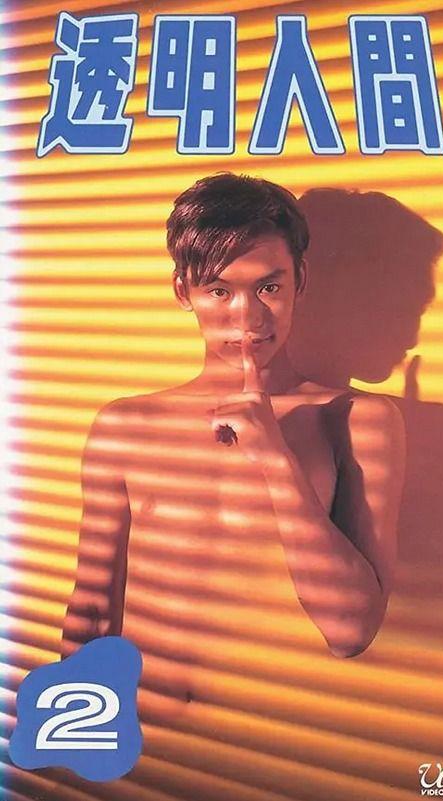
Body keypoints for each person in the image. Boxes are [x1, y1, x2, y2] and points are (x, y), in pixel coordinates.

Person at [61, 173, 406, 709]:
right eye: (218, 290)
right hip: (148, 736)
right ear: (183, 291)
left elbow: (351, 632)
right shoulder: (124, 426)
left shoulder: (357, 420)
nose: (246, 318)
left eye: (268, 287)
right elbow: (92, 612)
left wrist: (276, 459)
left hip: (295, 735)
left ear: (299, 280)